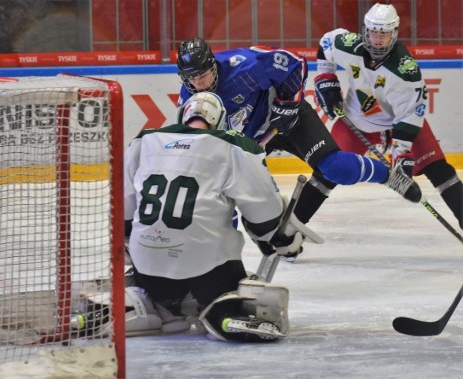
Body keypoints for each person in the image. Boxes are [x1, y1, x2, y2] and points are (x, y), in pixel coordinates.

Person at [175, 36, 422, 261]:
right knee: (247, 215)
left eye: (203, 75)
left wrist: (288, 105)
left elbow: (294, 63)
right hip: (253, 142)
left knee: (335, 168)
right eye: (192, 78)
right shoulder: (190, 99)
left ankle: (389, 176)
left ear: (213, 65)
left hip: (289, 119)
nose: (199, 83)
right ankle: (225, 257)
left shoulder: (244, 66)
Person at [122, 92, 312, 342]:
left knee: (145, 261)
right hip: (205, 272)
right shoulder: (235, 146)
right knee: (227, 286)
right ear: (221, 120)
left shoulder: (144, 140)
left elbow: (123, 209)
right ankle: (222, 312)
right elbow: (265, 215)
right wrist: (284, 239)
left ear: (183, 116)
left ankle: (147, 305)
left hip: (146, 266)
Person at [314, 2, 462, 229]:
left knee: (439, 169)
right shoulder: (348, 45)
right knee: (326, 171)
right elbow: (326, 44)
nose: (377, 40)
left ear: (394, 34)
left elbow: (410, 114)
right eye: (373, 33)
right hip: (357, 121)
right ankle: (286, 234)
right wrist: (326, 80)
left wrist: (401, 155)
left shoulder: (405, 70)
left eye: (383, 35)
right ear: (365, 31)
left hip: (400, 125)